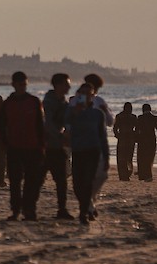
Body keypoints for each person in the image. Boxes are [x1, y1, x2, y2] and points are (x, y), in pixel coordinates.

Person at [0, 72, 46, 221]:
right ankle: (15, 210)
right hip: (14, 147)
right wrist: (5, 144)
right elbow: (1, 125)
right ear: (13, 84)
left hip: (33, 147)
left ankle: (29, 209)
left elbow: (40, 124)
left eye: (25, 84)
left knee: (32, 181)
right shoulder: (7, 103)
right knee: (14, 181)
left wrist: (42, 145)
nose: (23, 87)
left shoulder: (34, 101)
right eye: (20, 84)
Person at [66, 84, 110, 224]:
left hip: (93, 150)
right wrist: (74, 111)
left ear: (93, 95)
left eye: (88, 93)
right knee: (77, 184)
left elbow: (103, 136)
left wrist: (107, 157)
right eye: (82, 93)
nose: (85, 95)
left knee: (88, 182)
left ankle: (84, 212)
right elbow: (64, 123)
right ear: (78, 94)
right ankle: (87, 207)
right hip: (78, 151)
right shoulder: (72, 111)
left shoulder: (98, 114)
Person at [41, 74, 74, 220]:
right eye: (66, 84)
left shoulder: (64, 103)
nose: (69, 87)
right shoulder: (49, 102)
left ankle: (62, 210)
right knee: (37, 180)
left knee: (61, 181)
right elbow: (48, 124)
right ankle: (29, 210)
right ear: (58, 85)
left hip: (58, 146)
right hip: (45, 146)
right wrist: (61, 136)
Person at [133, 103, 157, 181]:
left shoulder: (140, 118)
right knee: (150, 158)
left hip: (142, 140)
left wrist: (135, 140)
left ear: (143, 110)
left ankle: (141, 175)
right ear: (150, 109)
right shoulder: (154, 118)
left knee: (141, 158)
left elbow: (137, 130)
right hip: (151, 140)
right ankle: (148, 175)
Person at [112, 102, 138, 181]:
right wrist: (135, 136)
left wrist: (118, 135)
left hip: (122, 138)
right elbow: (137, 128)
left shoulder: (119, 116)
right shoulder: (133, 117)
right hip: (130, 139)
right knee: (129, 157)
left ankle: (122, 175)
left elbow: (115, 128)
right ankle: (128, 174)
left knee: (121, 158)